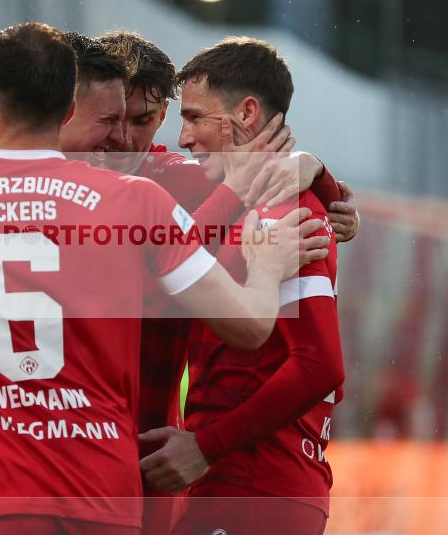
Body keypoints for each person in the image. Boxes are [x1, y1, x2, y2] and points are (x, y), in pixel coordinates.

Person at [0, 22, 330, 534]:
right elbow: (244, 323)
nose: (122, 138)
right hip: (99, 491)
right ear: (66, 110)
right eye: (111, 120)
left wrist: (317, 174)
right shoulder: (138, 201)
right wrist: (268, 261)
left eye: (139, 121)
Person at [141, 36, 343, 535]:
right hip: (233, 483)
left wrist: (206, 446)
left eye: (193, 117)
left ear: (247, 112)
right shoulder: (240, 199)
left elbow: (321, 366)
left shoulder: (282, 210)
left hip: (257, 485)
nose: (182, 137)